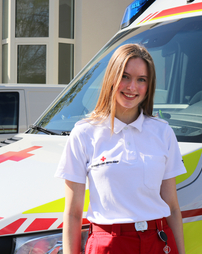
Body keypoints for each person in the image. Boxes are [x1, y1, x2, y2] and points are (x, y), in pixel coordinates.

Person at [55, 44, 187, 254]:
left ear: (149, 85)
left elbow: (172, 206)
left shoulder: (163, 132)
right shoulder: (84, 133)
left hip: (157, 242)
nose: (132, 87)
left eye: (141, 79)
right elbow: (72, 214)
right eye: (125, 76)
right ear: (111, 78)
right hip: (107, 244)